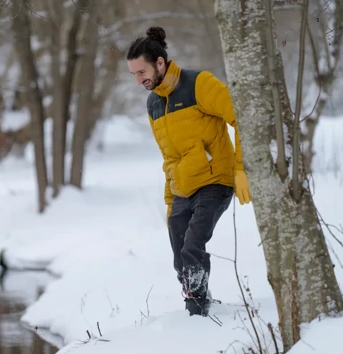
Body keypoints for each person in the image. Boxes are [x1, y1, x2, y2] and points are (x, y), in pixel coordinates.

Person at [126, 26, 252, 316]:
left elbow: (242, 118)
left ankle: (197, 315)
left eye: (141, 72)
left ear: (160, 62)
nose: (138, 80)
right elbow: (168, 158)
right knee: (179, 255)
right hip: (182, 188)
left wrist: (241, 169)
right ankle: (197, 302)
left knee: (193, 247)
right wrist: (170, 202)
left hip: (214, 181)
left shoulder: (199, 84)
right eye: (133, 74)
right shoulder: (154, 103)